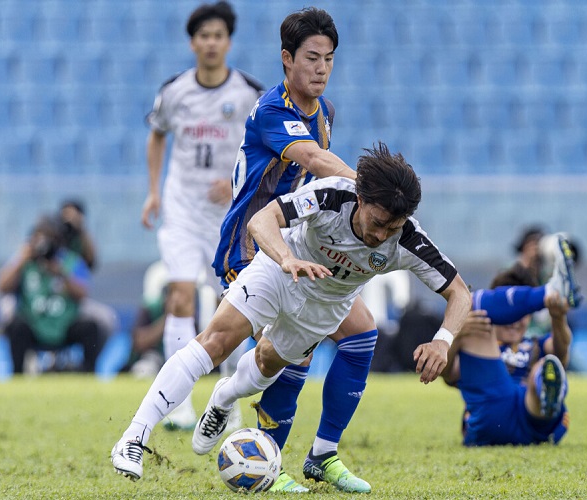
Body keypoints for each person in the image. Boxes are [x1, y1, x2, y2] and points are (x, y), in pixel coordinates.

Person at [111, 143, 472, 493]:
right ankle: (133, 437)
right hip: (279, 272)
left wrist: (443, 340)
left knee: (262, 372)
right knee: (216, 342)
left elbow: (460, 293)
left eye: (391, 228)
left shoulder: (408, 240)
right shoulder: (332, 194)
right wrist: (286, 257)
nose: (380, 236)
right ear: (360, 200)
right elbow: (262, 219)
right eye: (377, 222)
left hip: (322, 310)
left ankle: (224, 397)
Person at [211, 7, 379, 492]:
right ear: (287, 59)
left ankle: (322, 455)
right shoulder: (272, 110)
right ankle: (270, 459)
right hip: (251, 245)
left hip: (300, 243)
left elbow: (318, 185)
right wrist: (375, 188)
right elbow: (314, 160)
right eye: (311, 58)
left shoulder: (325, 112)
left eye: (329, 59)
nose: (322, 68)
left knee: (362, 332)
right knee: (292, 353)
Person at [141, 0, 265, 430]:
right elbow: (157, 137)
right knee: (179, 293)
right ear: (193, 42)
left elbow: (267, 149)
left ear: (228, 42)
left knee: (232, 303)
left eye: (218, 36)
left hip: (227, 215)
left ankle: (225, 398)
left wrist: (236, 186)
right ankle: (178, 404)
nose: (211, 43)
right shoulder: (175, 91)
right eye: (204, 36)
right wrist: (154, 194)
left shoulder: (248, 92)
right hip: (181, 209)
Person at [441, 236, 579, 446]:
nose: (514, 322)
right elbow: (448, 374)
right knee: (472, 318)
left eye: (521, 315)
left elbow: (561, 354)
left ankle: (545, 398)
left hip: (533, 418)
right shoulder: (476, 336)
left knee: (546, 366)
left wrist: (558, 317)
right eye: (509, 314)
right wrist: (458, 335)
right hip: (493, 414)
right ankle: (549, 290)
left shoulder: (534, 345)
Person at [0, 215, 103, 374]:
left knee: (90, 327)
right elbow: (1, 286)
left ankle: (88, 373)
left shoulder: (69, 260)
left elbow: (83, 292)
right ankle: (17, 373)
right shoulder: (25, 260)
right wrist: (22, 260)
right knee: (16, 325)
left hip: (64, 323)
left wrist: (61, 273)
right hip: (34, 322)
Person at [58, 198, 120, 341]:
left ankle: (90, 361)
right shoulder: (52, 233)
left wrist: (79, 227)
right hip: (45, 300)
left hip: (73, 302)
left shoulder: (81, 241)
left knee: (108, 319)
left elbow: (92, 261)